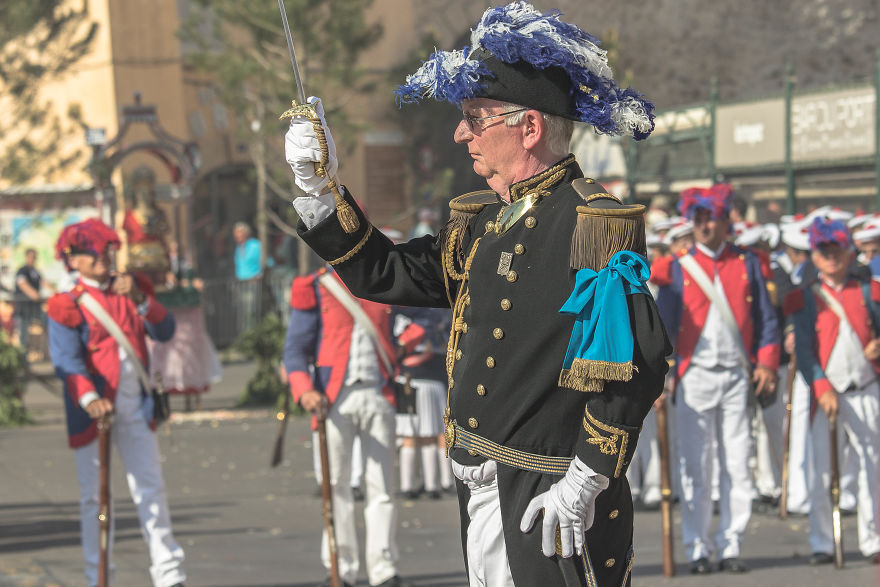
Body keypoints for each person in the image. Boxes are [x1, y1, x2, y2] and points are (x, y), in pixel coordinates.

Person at [283, 3, 669, 584]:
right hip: (482, 485)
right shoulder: (480, 224)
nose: (461, 133)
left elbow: (633, 365)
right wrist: (319, 188)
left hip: (552, 493)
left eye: (475, 118)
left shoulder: (594, 224)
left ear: (529, 127)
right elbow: (383, 274)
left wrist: (586, 478)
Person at [46, 218, 185, 587]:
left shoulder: (134, 288)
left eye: (106, 248)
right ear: (73, 259)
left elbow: (165, 330)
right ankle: (99, 577)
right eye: (93, 251)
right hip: (92, 412)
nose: (104, 257)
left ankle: (170, 574)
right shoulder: (64, 304)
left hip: (137, 404)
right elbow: (66, 362)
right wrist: (90, 398)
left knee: (151, 489)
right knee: (94, 499)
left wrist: (141, 301)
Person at [653, 184, 780, 574]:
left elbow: (767, 319)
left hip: (737, 375)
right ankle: (697, 547)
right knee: (696, 464)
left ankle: (730, 544)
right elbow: (664, 328)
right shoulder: (677, 267)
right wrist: (660, 376)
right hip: (695, 376)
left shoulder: (749, 263)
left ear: (726, 221)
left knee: (738, 463)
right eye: (699, 219)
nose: (705, 226)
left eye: (711, 219)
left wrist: (767, 363)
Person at [283, 266, 408, 587]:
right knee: (335, 485)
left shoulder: (384, 278)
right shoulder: (315, 285)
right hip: (331, 397)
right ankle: (341, 567)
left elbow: (413, 325)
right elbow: (295, 350)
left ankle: (383, 569)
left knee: (382, 486)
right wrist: (303, 389)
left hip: (379, 392)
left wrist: (406, 346)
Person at [784, 218, 880, 566]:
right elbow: (806, 353)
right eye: (824, 252)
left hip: (866, 389)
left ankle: (873, 540)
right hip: (826, 394)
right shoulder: (806, 298)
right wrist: (822, 387)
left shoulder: (870, 290)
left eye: (836, 250)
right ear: (815, 256)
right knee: (822, 472)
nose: (831, 257)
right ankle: (823, 541)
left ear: (849, 252)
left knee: (873, 469)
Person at [14, 248, 46, 352]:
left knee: (48, 323)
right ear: (26, 257)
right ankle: (23, 361)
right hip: (23, 308)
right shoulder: (22, 270)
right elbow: (22, 284)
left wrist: (57, 293)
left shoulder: (35, 271)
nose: (33, 259)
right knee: (23, 335)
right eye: (31, 257)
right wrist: (34, 295)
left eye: (34, 257)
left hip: (35, 307)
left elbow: (44, 282)